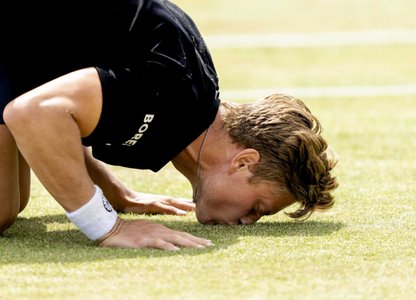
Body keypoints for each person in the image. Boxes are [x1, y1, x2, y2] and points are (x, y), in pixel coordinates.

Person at [0, 0, 338, 250]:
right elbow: (35, 114)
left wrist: (116, 194)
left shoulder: (189, 107)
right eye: (258, 207)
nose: (248, 221)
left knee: (14, 203)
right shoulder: (168, 91)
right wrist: (108, 227)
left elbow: (66, 116)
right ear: (244, 161)